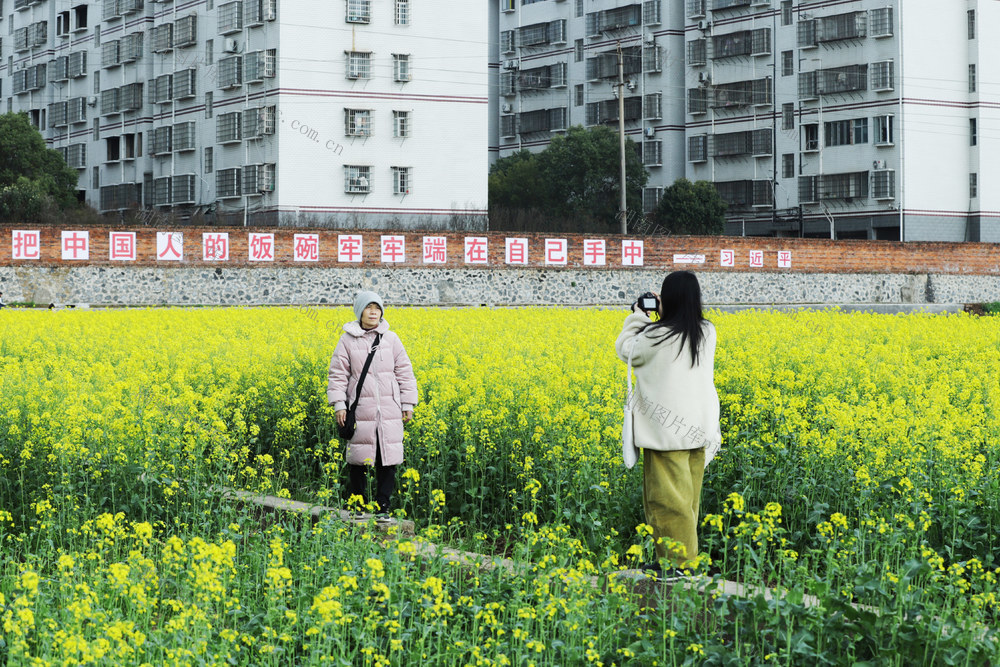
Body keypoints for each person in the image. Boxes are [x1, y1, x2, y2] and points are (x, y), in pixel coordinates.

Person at [615, 271, 721, 574]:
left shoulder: (654, 335)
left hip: (666, 435)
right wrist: (664, 315)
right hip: (697, 431)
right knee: (687, 503)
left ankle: (680, 567)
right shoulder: (707, 331)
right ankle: (677, 561)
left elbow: (626, 349)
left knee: (666, 505)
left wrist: (639, 317)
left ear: (668, 299)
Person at [328, 291, 418, 520]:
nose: (373, 312)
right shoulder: (347, 340)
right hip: (361, 410)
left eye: (377, 308)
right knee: (358, 459)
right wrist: (339, 404)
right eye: (368, 308)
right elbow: (338, 375)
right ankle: (357, 505)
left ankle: (383, 508)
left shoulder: (391, 339)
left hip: (389, 408)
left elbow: (405, 373)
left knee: (387, 459)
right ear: (360, 312)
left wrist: (408, 403)